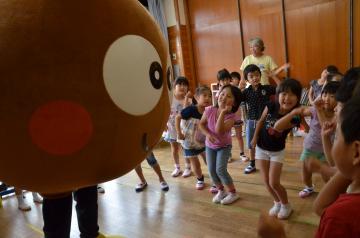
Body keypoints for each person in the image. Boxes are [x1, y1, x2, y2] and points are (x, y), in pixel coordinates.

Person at [253, 78, 303, 219]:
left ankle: (286, 205)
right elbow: (261, 121)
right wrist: (254, 137)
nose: (287, 98)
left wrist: (293, 113)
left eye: (292, 95)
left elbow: (278, 126)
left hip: (276, 152)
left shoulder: (295, 118)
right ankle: (277, 202)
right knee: (266, 182)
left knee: (274, 182)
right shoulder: (270, 105)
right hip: (261, 148)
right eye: (284, 94)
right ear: (278, 94)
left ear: (298, 98)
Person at [281, 82, 340, 198]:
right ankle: (309, 187)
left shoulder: (337, 114)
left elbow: (326, 128)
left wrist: (319, 110)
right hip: (310, 147)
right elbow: (301, 111)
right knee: (305, 173)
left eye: (332, 96)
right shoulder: (314, 109)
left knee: (326, 174)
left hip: (326, 150)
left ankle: (331, 191)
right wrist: (304, 124)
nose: (327, 98)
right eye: (324, 94)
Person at [199, 85, 243, 205]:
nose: (223, 97)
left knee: (220, 170)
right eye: (222, 94)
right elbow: (201, 125)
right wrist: (207, 135)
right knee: (211, 170)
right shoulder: (209, 110)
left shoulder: (231, 117)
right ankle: (221, 191)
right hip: (210, 146)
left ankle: (233, 193)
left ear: (234, 103)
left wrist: (223, 112)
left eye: (229, 96)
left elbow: (219, 130)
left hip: (224, 147)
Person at [240, 64, 279, 174]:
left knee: (266, 143)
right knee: (251, 144)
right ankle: (252, 163)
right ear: (247, 79)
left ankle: (269, 163)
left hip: (266, 121)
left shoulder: (266, 88)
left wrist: (274, 76)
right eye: (251, 76)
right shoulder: (246, 92)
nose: (255, 78)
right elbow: (236, 98)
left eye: (257, 75)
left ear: (260, 75)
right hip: (252, 121)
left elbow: (281, 88)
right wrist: (239, 86)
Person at [175, 85, 212, 190]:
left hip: (203, 141)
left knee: (209, 161)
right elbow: (178, 118)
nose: (207, 98)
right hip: (189, 142)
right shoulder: (191, 109)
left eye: (209, 96)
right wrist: (178, 132)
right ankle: (200, 179)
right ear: (196, 97)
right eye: (204, 95)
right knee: (195, 163)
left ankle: (215, 178)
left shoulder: (209, 111)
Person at [163, 76, 192, 178]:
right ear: (174, 86)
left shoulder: (189, 100)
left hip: (184, 129)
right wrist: (163, 125)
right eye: (180, 84)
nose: (183, 87)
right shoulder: (170, 98)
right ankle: (177, 167)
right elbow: (164, 112)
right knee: (174, 148)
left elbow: (187, 114)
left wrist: (187, 99)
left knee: (185, 148)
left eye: (185, 85)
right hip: (171, 128)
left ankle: (188, 167)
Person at [229, 71, 248, 162]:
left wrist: (240, 88)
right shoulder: (227, 90)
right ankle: (228, 154)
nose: (232, 80)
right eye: (231, 79)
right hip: (227, 117)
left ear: (238, 80)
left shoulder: (241, 90)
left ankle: (242, 153)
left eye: (234, 79)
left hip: (236, 117)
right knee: (227, 137)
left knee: (239, 136)